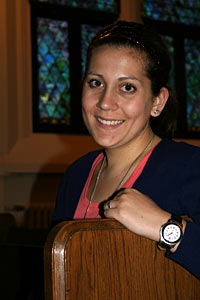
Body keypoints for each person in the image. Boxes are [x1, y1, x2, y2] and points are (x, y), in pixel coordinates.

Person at [52, 21, 200, 279]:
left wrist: (165, 227)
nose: (106, 103)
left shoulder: (190, 168)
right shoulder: (76, 174)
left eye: (127, 87)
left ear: (157, 101)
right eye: (96, 83)